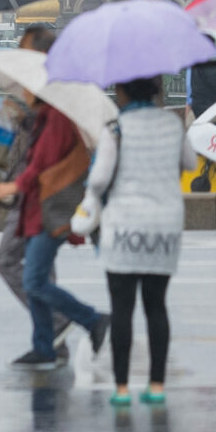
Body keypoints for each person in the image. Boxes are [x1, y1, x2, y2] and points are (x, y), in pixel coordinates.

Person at [72, 75, 194, 408]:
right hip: (164, 228)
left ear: (123, 91)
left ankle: (122, 388)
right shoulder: (172, 123)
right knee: (157, 306)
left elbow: (98, 181)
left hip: (124, 227)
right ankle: (156, 385)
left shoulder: (117, 129)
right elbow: (190, 163)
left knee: (122, 310)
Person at [0, 96, 101, 370]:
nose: (25, 92)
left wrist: (13, 186)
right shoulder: (45, 117)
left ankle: (92, 320)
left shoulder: (56, 118)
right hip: (38, 208)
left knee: (34, 281)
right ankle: (45, 346)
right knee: (36, 277)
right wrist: (23, 118)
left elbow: (41, 165)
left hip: (48, 209)